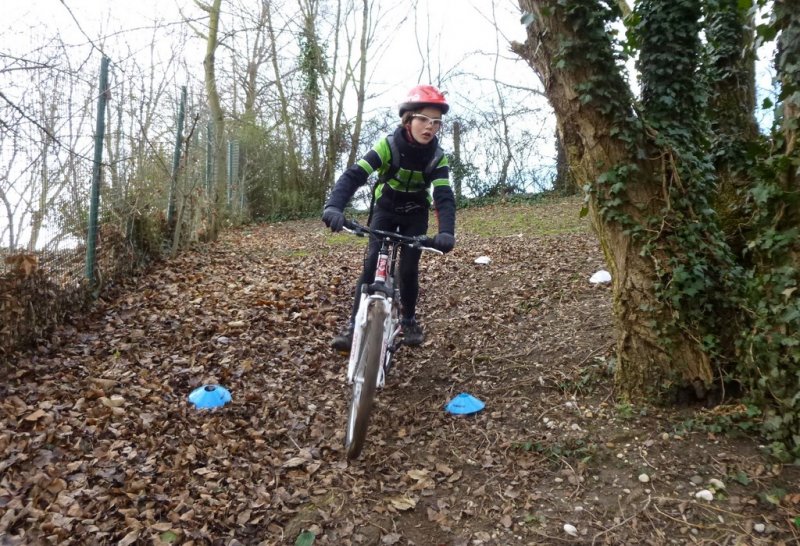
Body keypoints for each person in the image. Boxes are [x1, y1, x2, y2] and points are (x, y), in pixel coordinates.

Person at [322, 84, 457, 352]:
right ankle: (352, 326)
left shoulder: (437, 158)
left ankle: (408, 319)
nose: (430, 127)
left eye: (436, 122)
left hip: (415, 214)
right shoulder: (388, 146)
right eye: (423, 119)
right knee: (372, 262)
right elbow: (354, 175)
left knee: (407, 269)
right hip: (385, 210)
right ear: (408, 119)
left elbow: (443, 196)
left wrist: (447, 232)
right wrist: (334, 206)